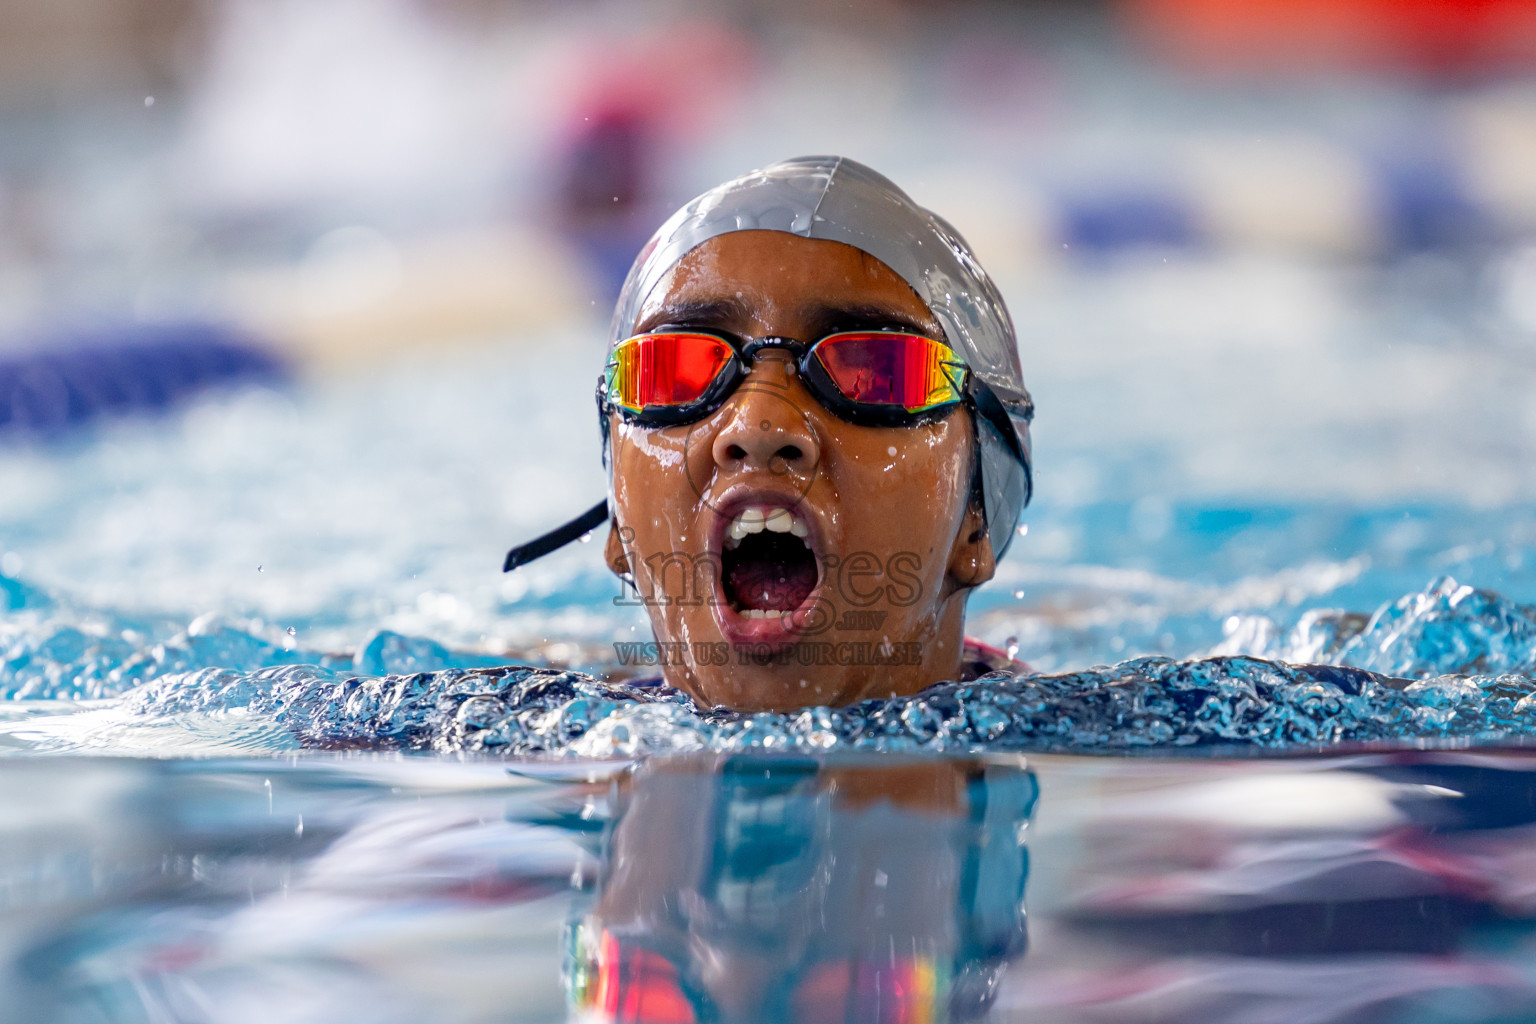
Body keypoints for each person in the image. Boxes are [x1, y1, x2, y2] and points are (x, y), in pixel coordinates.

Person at [505, 156, 1034, 712]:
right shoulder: (513, 728)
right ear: (619, 526)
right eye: (677, 366)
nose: (759, 425)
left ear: (976, 515)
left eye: (874, 370)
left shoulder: (1106, 736)